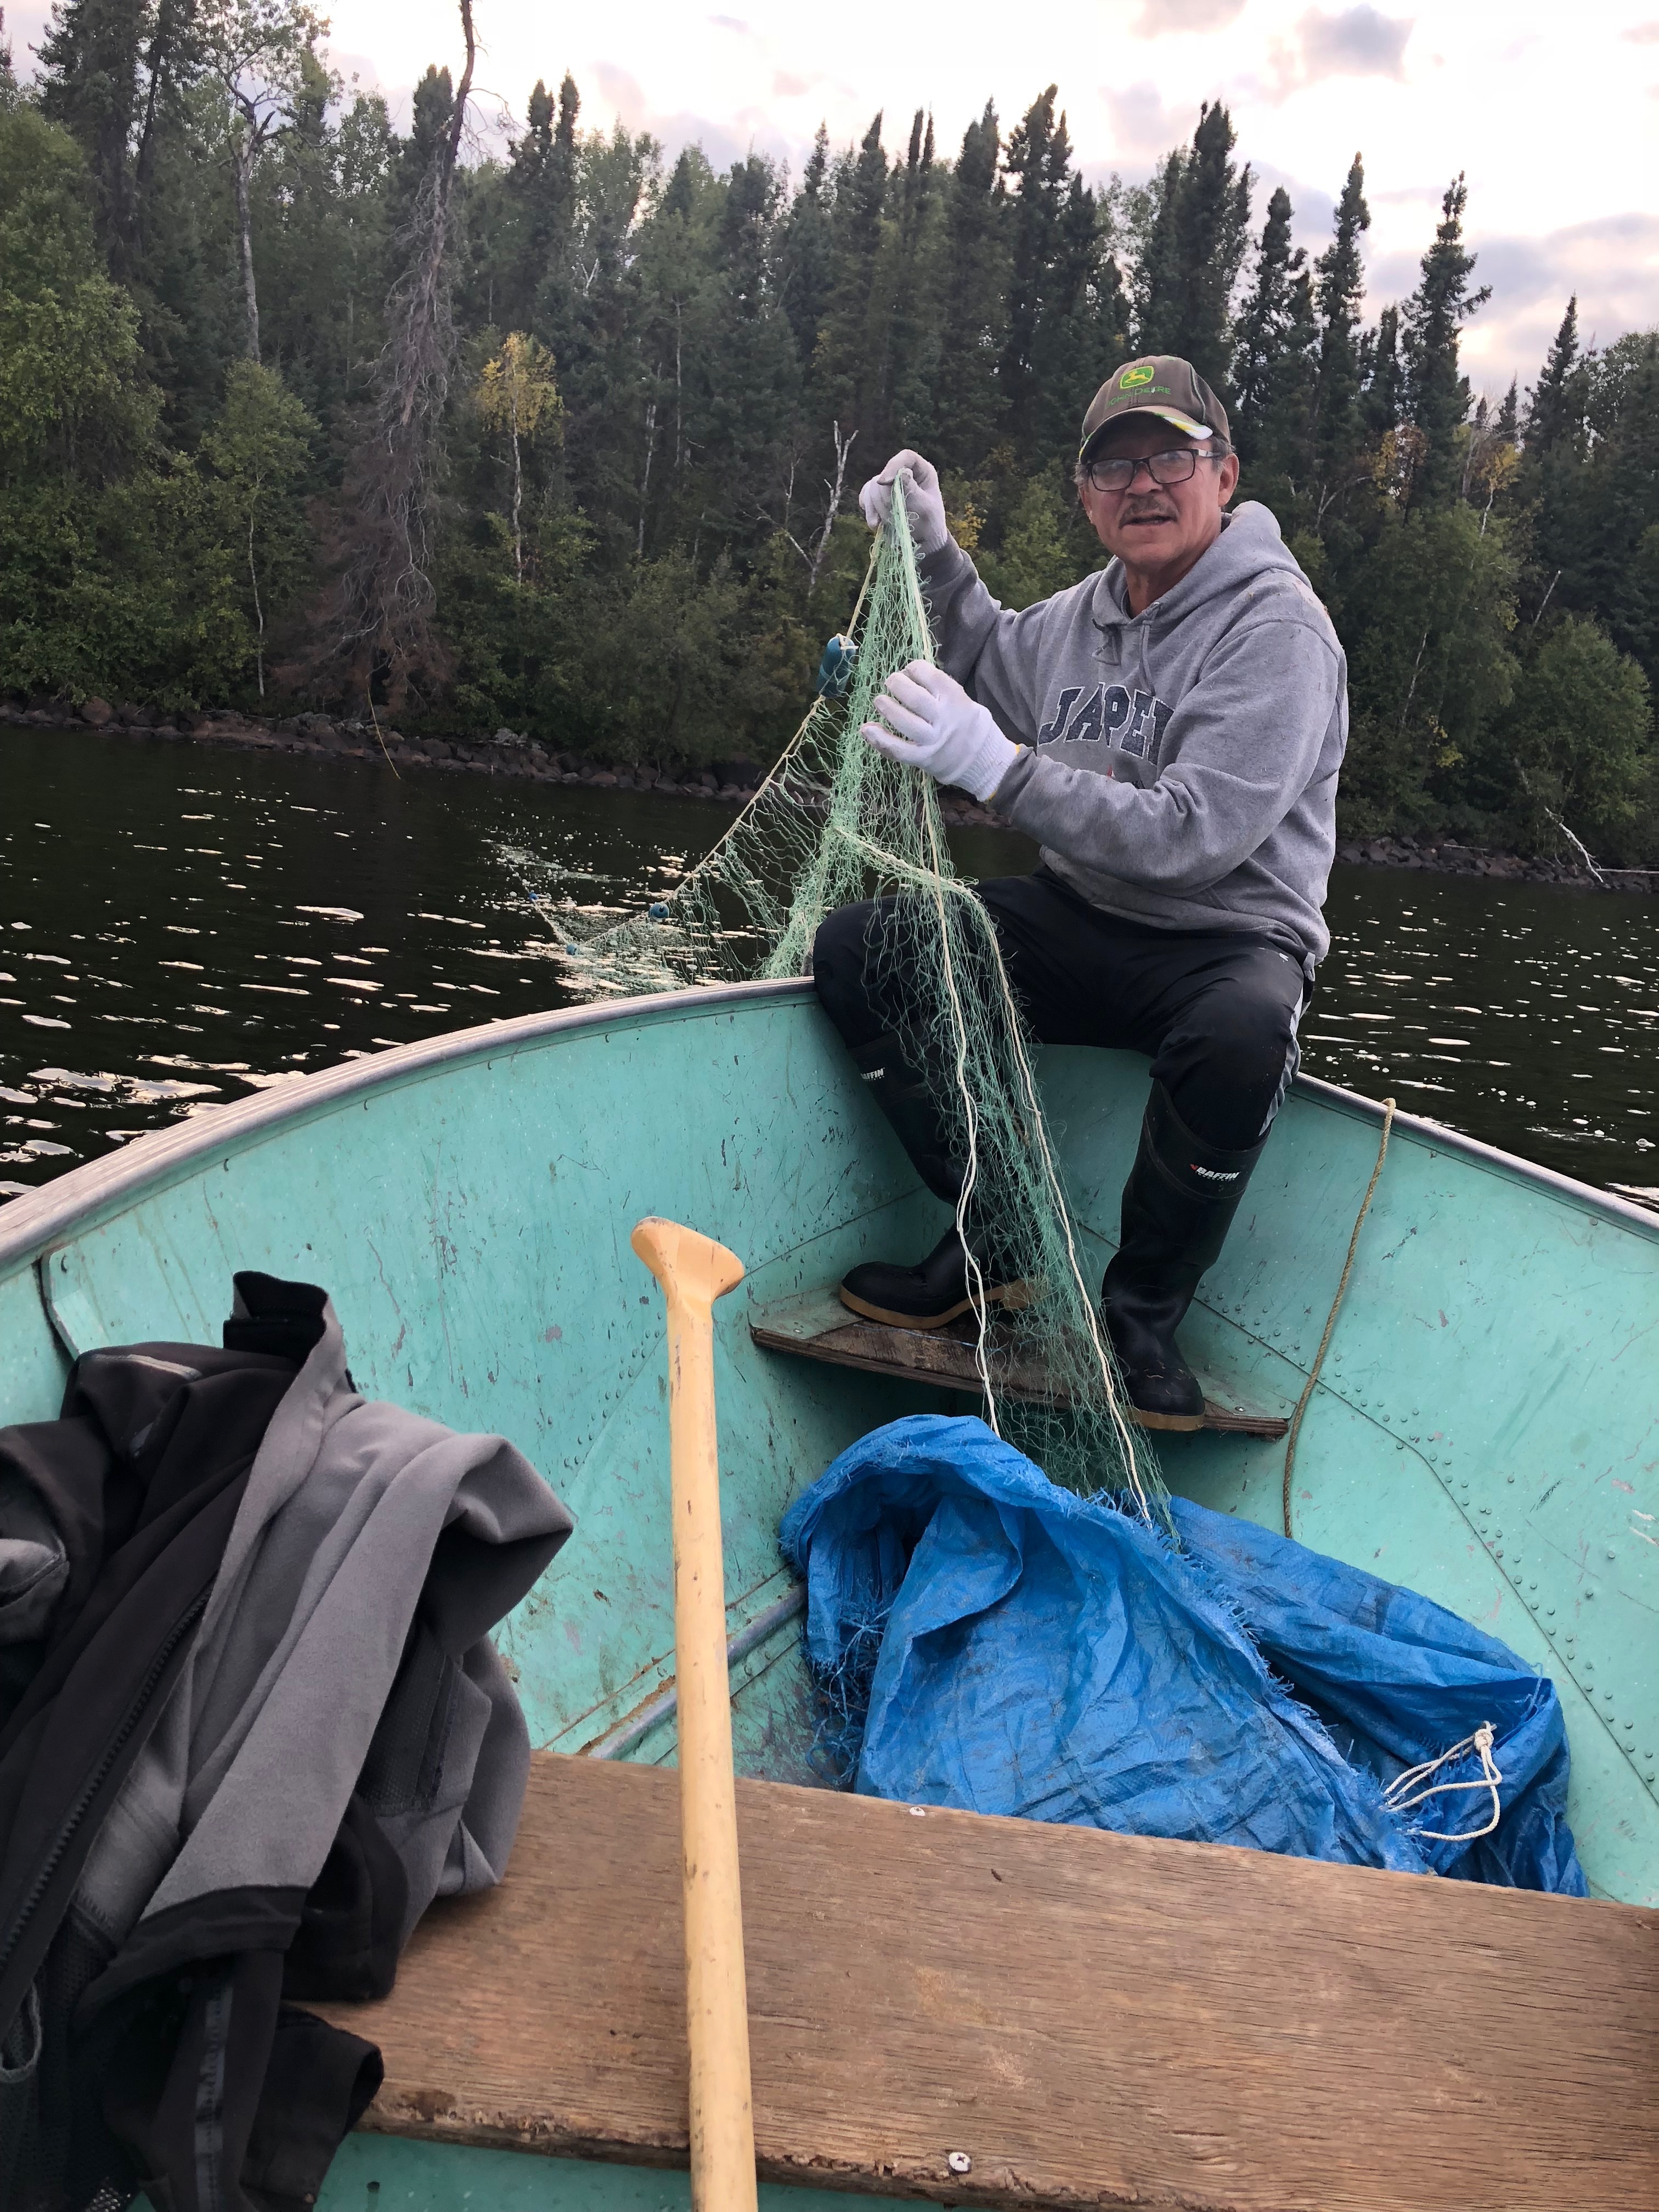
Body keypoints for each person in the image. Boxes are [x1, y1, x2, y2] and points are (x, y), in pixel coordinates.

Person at [811, 354, 1347, 1432]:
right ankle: (993, 1239)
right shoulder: (1085, 615)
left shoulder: (1278, 635)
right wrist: (929, 545)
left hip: (1225, 939)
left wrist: (997, 769)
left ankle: (1141, 1314)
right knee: (863, 951)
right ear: (1087, 495)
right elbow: (988, 653)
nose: (1141, 485)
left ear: (1225, 473)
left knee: (1242, 1037)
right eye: (1113, 466)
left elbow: (1192, 839)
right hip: (1084, 916)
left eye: (1169, 458)